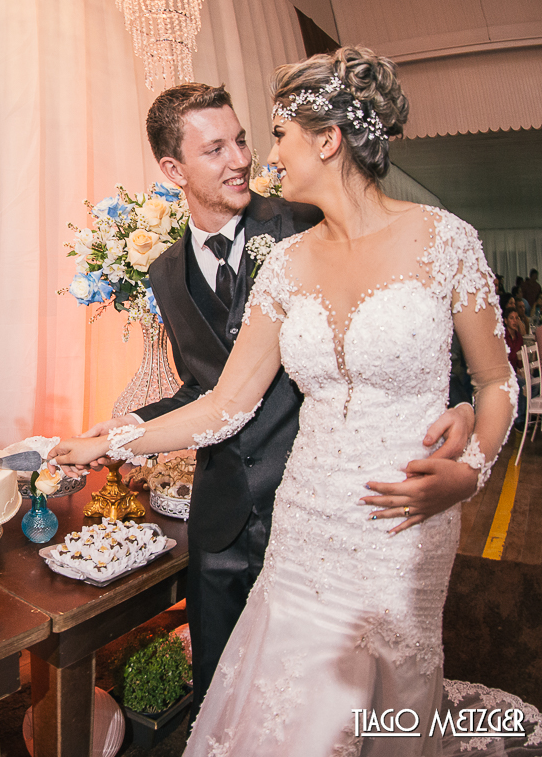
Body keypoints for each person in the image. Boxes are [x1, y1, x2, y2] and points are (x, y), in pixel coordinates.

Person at [53, 47, 531, 754]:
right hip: (305, 525)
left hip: (401, 521)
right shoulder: (286, 264)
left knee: (377, 706)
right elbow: (225, 404)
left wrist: (473, 470)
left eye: (274, 135)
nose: (262, 155)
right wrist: (111, 440)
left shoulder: (445, 242)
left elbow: (496, 382)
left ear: (328, 140)